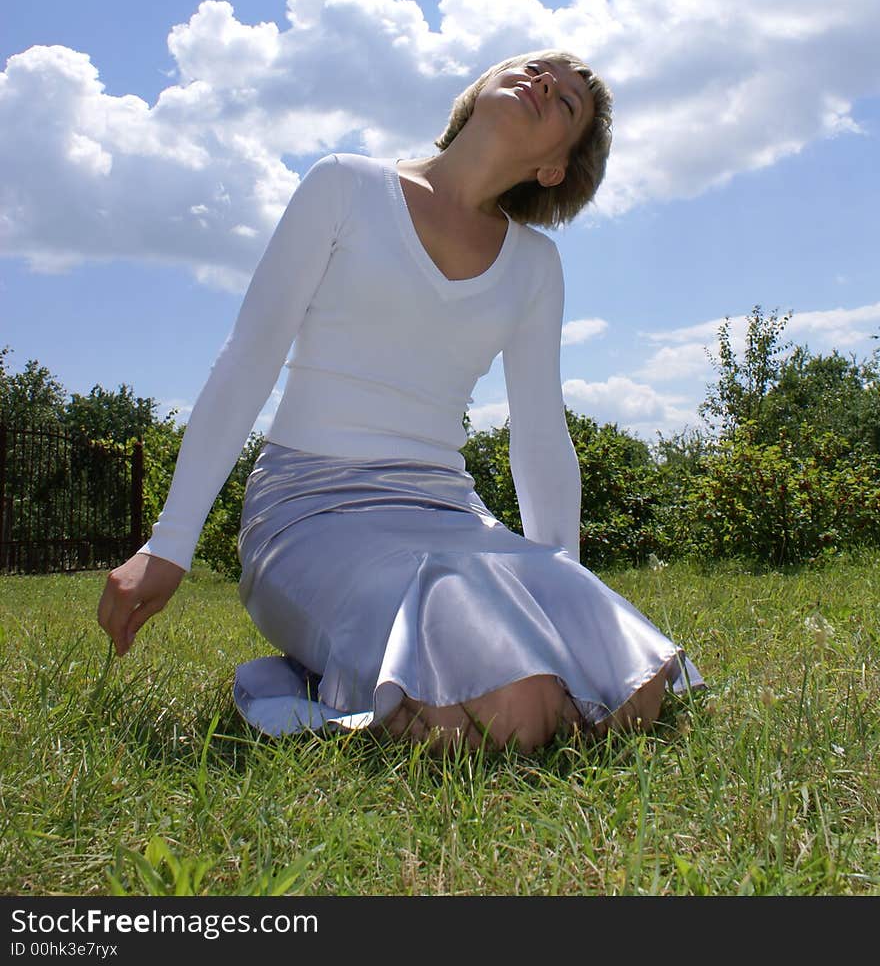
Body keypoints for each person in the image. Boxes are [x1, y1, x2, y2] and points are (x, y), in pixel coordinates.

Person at [97, 50, 703, 754]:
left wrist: (556, 583)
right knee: (507, 714)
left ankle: (362, 671)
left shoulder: (535, 265)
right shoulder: (345, 186)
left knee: (638, 688)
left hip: (451, 517)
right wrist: (168, 544)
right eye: (538, 68)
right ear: (479, 88)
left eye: (567, 102)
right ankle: (326, 684)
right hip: (311, 512)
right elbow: (248, 357)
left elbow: (539, 432)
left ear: (554, 169)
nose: (544, 83)